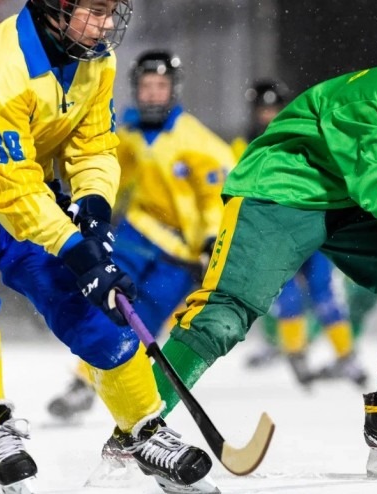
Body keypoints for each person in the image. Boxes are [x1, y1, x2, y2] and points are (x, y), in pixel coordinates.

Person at [143, 0, 377, 476]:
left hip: (348, 204)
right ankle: (137, 427)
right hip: (281, 191)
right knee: (224, 318)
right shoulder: (376, 97)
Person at [0, 2, 216, 493]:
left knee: (88, 303)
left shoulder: (95, 57)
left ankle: (146, 430)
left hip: (21, 184)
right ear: (56, 6)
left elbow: (93, 143)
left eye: (111, 10)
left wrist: (94, 211)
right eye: (95, 10)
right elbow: (7, 190)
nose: (107, 24)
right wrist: (78, 251)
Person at [46, 49, 235, 422]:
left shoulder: (200, 142)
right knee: (110, 303)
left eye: (160, 85)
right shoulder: (125, 134)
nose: (151, 93)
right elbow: (104, 175)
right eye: (145, 85)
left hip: (179, 254)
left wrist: (211, 242)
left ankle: (118, 389)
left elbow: (214, 199)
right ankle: (83, 383)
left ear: (174, 89)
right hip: (135, 234)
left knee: (145, 318)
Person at [233, 79, 368, 388]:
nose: (268, 116)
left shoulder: (303, 137)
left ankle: (346, 356)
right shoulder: (244, 147)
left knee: (325, 292)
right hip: (276, 236)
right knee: (288, 296)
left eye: (273, 109)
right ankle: (296, 355)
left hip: (311, 228)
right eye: (263, 110)